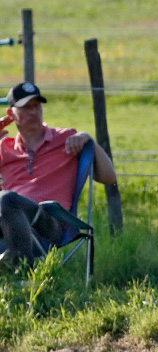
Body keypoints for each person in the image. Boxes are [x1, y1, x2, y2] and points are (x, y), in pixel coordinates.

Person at [0, 82, 116, 268]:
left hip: (51, 222)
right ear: (11, 114)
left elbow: (109, 177)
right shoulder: (3, 148)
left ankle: (21, 266)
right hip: (11, 222)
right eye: (26, 107)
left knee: (7, 199)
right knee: (6, 201)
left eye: (37, 106)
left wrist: (89, 140)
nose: (34, 112)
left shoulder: (67, 140)